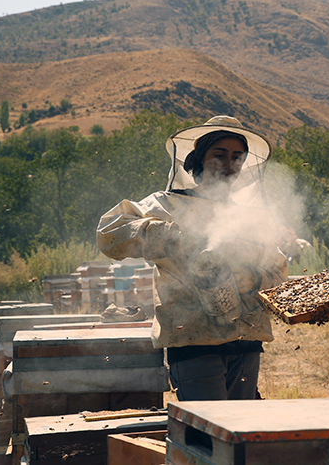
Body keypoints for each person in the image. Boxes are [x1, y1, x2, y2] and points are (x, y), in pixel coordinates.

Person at [97, 115, 287, 401]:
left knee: (243, 432)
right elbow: (108, 231)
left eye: (237, 157)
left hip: (246, 341)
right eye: (219, 155)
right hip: (193, 341)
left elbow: (278, 269)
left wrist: (254, 278)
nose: (229, 164)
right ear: (198, 159)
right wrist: (159, 232)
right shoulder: (167, 204)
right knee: (208, 434)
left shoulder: (251, 218)